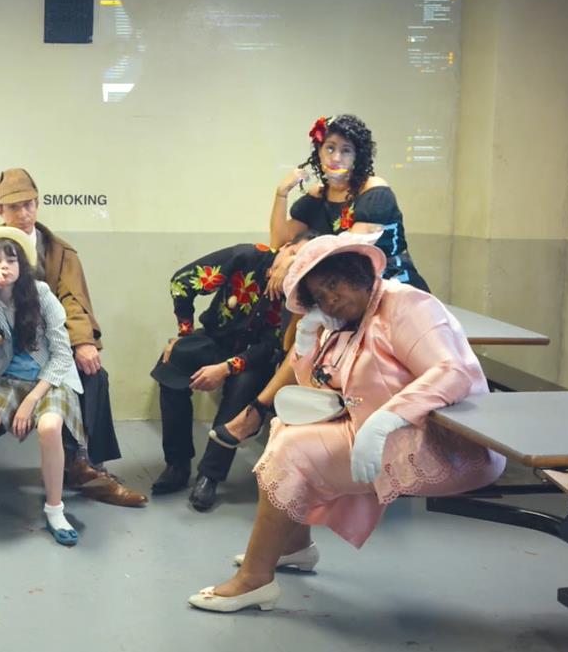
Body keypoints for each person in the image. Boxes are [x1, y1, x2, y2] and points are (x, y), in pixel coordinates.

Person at [189, 234, 506, 612]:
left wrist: (386, 419)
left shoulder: (406, 305)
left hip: (446, 441)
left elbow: (453, 372)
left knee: (291, 453)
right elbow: (316, 385)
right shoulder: (344, 321)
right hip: (377, 428)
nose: (331, 299)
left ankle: (255, 580)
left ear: (357, 273)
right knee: (285, 430)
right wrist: (307, 342)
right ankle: (294, 547)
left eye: (333, 284)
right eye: (319, 295)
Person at [0, 168, 147, 508]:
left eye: (29, 204)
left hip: (45, 348)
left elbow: (73, 301)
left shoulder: (59, 252)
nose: (23, 213)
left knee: (93, 373)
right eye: (14, 207)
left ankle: (87, 465)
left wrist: (83, 342)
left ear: (38, 204)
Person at [0, 226, 86, 546]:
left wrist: (30, 402)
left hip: (50, 380)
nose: (4, 266)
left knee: (49, 427)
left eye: (11, 259)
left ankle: (55, 510)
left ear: (22, 265)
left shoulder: (41, 293)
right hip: (9, 380)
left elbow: (63, 355)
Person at [150, 232, 313, 511]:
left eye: (303, 262)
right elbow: (182, 282)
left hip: (254, 357)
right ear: (285, 246)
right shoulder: (247, 257)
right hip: (215, 339)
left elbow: (273, 346)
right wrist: (184, 334)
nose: (292, 265)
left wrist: (227, 368)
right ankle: (177, 464)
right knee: (173, 360)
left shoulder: (301, 293)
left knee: (243, 388)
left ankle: (209, 476)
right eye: (293, 255)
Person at [270, 114, 429, 290]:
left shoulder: (374, 190)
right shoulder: (316, 196)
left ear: (357, 157)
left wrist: (295, 260)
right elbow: (279, 244)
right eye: (330, 148)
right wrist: (281, 194)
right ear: (319, 152)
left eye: (346, 151)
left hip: (395, 287)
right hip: (345, 293)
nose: (336, 158)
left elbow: (349, 251)